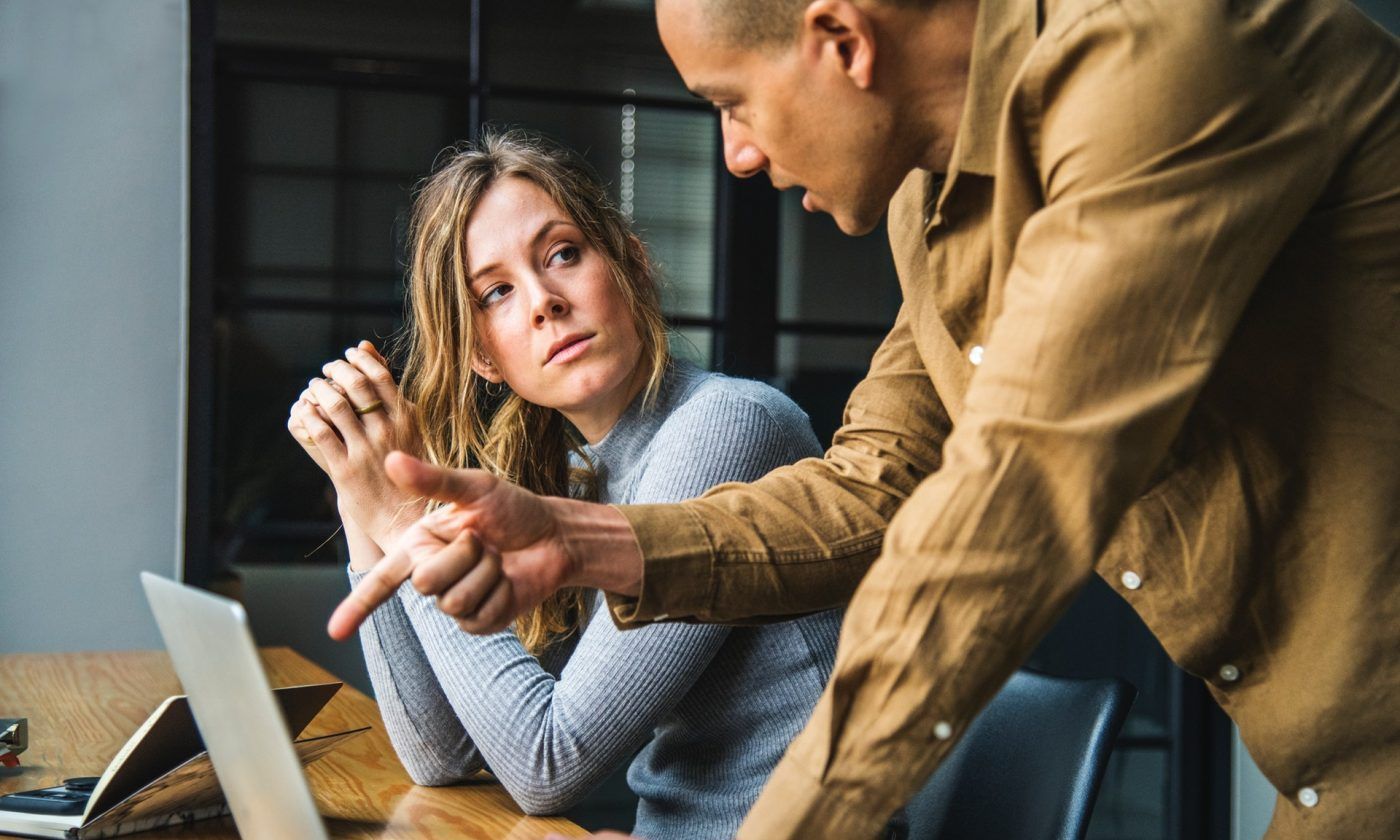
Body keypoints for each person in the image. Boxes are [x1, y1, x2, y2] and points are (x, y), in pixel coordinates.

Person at [332, 1, 1400, 838]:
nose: (736, 155)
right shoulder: (930, 203)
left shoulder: (1152, 68)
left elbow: (1007, 510)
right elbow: (870, 488)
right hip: (1327, 777)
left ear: (839, 39)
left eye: (729, 101)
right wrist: (572, 541)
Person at [291, 129, 842, 840]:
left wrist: (404, 520)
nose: (542, 301)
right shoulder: (582, 477)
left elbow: (547, 764)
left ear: (632, 264)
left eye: (563, 254)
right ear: (483, 359)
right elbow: (445, 755)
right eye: (496, 292)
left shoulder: (727, 426)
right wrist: (359, 485)